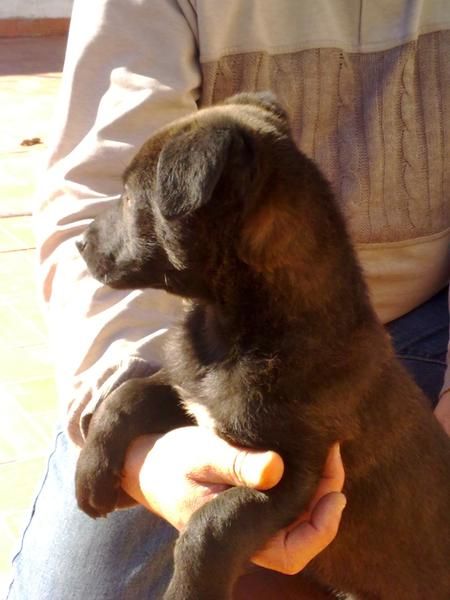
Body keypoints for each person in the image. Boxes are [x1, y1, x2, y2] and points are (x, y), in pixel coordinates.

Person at [8, 1, 449, 598]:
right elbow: (89, 191)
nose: (115, 230)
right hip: (212, 320)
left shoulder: (305, 374)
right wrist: (134, 435)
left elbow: (289, 476)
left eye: (136, 209)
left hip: (423, 327)